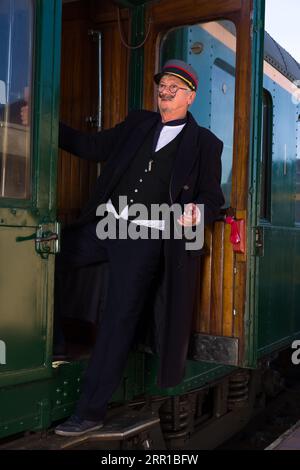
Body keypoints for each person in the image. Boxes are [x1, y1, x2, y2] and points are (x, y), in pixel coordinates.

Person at [25, 60, 225, 436]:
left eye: (175, 87)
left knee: (118, 319)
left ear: (190, 97)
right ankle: (58, 343)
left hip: (147, 238)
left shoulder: (204, 144)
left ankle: (91, 411)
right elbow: (89, 146)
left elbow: (213, 198)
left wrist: (199, 210)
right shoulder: (138, 123)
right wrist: (41, 121)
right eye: (163, 84)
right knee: (46, 254)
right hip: (106, 224)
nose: (166, 91)